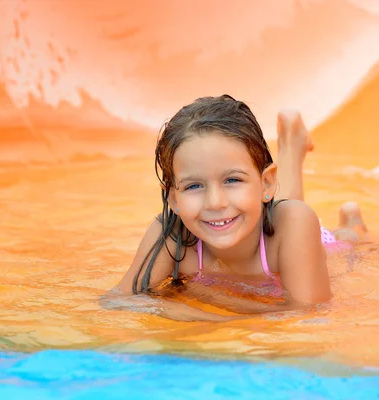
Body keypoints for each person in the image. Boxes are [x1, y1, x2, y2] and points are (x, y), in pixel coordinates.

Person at [108, 95, 366, 321]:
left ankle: (350, 221)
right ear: (173, 199)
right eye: (193, 186)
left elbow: (308, 313)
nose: (215, 202)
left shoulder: (295, 224)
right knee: (263, 208)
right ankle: (292, 142)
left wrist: (200, 312)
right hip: (265, 218)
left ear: (267, 181)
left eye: (232, 180)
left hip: (314, 239)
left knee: (347, 242)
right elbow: (118, 300)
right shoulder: (172, 237)